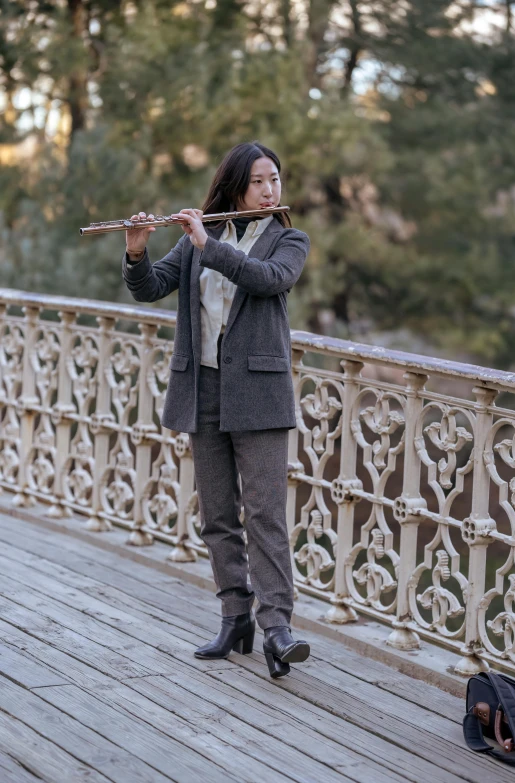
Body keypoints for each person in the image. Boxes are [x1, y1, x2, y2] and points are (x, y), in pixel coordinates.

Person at [122, 141, 311, 678]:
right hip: (202, 389)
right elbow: (150, 288)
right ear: (234, 185)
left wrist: (207, 243)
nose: (271, 189)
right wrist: (137, 251)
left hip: (260, 394)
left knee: (267, 515)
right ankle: (235, 617)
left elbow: (268, 280)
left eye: (275, 178)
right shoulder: (201, 236)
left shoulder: (288, 238)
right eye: (258, 181)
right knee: (218, 516)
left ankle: (278, 628)